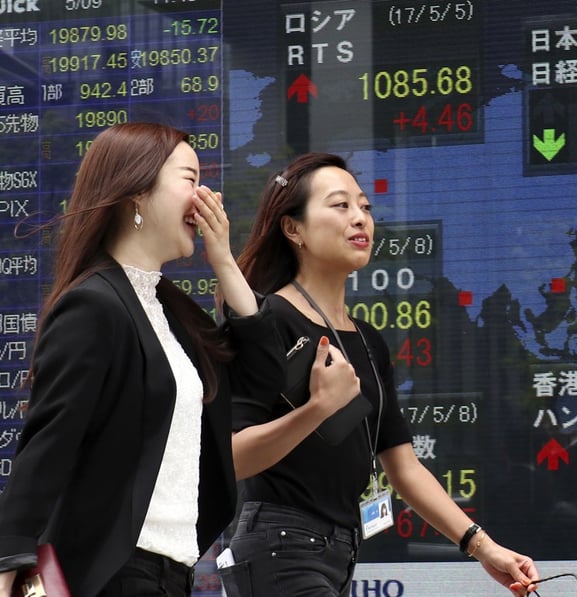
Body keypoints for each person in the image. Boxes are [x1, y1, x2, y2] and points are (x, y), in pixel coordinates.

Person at [222, 152, 540, 596]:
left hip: (338, 553)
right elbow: (231, 456)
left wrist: (484, 547)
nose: (360, 219)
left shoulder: (369, 342)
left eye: (366, 207)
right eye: (340, 206)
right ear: (293, 228)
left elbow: (404, 469)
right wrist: (318, 409)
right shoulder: (267, 320)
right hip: (281, 546)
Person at [0, 122, 286, 597]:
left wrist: (224, 261)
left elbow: (264, 378)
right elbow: (50, 439)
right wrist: (11, 555)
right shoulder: (93, 303)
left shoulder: (173, 312)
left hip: (173, 570)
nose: (204, 197)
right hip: (112, 570)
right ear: (137, 193)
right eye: (190, 179)